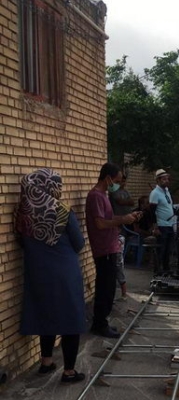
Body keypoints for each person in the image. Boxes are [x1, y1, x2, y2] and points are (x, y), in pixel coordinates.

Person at [15, 168, 86, 383]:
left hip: (38, 273)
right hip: (64, 274)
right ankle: (69, 371)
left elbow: (22, 242)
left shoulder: (23, 212)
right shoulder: (62, 211)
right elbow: (79, 243)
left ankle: (46, 362)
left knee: (46, 314)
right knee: (70, 319)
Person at [85, 163, 140, 338]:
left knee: (109, 287)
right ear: (108, 178)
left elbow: (109, 218)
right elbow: (100, 223)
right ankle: (100, 324)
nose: (117, 184)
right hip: (103, 249)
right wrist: (122, 220)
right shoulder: (95, 196)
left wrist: (126, 218)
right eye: (116, 181)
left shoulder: (103, 195)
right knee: (105, 288)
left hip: (110, 246)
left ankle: (102, 322)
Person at [149, 169, 175, 274]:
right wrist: (155, 227)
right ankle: (158, 270)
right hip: (161, 225)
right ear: (158, 180)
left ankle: (166, 268)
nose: (166, 181)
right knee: (161, 249)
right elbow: (152, 212)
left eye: (167, 179)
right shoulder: (155, 193)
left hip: (170, 224)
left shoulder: (167, 191)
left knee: (168, 249)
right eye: (164, 179)